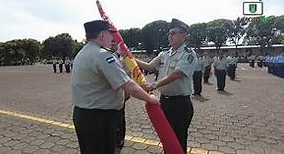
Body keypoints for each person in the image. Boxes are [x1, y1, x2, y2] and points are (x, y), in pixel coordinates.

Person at [71, 20, 159, 154]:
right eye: (109, 34)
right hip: (99, 118)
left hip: (83, 115)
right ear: (102, 35)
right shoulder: (103, 55)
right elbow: (128, 85)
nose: (111, 38)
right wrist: (150, 98)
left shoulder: (82, 53)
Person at [135, 18, 197, 153]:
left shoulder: (188, 54)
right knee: (167, 137)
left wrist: (154, 85)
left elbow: (177, 74)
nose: (170, 36)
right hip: (164, 101)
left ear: (184, 35)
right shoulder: (164, 54)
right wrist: (131, 58)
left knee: (178, 138)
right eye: (169, 33)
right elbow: (150, 67)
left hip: (180, 104)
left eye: (174, 33)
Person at [110, 39, 129, 152]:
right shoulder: (102, 56)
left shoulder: (122, 59)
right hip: (107, 96)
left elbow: (127, 76)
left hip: (119, 94)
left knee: (119, 119)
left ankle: (119, 141)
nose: (112, 44)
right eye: (111, 42)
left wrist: (127, 93)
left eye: (114, 42)